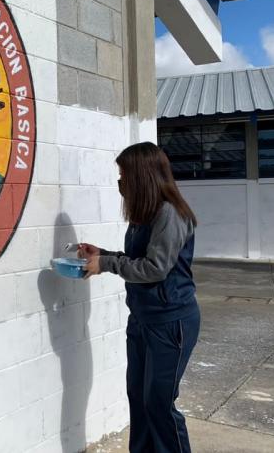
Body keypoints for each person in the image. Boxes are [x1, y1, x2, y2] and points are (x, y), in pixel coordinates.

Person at [77, 142, 200, 453]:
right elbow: (137, 259)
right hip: (143, 320)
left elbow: (155, 268)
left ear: (142, 176)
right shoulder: (144, 215)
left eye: (124, 176)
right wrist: (102, 255)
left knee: (159, 403)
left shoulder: (169, 214)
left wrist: (106, 264)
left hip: (171, 322)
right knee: (139, 398)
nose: (121, 183)